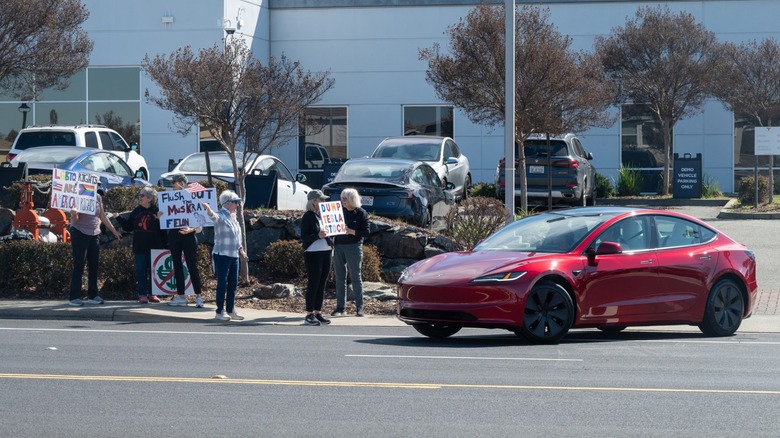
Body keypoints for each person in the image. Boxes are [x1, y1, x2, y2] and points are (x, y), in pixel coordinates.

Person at [69, 191, 122, 306]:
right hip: (79, 232)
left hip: (94, 234)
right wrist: (73, 214)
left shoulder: (97, 197)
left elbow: (102, 215)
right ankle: (74, 296)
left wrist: (114, 231)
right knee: (79, 264)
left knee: (94, 264)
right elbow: (75, 219)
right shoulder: (78, 196)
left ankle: (93, 295)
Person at [161, 174, 205, 307]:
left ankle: (198, 296)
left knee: (192, 265)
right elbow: (165, 217)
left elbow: (201, 220)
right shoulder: (168, 198)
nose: (172, 184)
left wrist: (191, 229)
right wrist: (160, 216)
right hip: (174, 234)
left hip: (189, 236)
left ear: (181, 182)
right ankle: (181, 295)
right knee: (177, 266)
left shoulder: (192, 196)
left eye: (174, 182)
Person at [203, 190, 247, 321]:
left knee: (233, 283)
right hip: (222, 254)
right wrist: (209, 210)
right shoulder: (221, 215)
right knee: (222, 283)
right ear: (227, 204)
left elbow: (237, 237)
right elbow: (214, 217)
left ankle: (230, 309)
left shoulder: (234, 217)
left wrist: (241, 250)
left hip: (234, 255)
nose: (237, 205)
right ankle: (219, 311)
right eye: (235, 202)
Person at [117, 187, 165, 303]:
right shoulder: (136, 211)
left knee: (153, 271)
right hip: (139, 246)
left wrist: (159, 220)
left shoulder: (158, 211)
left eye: (142, 195)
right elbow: (128, 226)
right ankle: (142, 294)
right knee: (140, 271)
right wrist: (118, 218)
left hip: (154, 246)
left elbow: (163, 230)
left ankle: (153, 294)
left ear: (149, 198)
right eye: (140, 195)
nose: (140, 197)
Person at [331, 188, 370, 317]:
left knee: (355, 277)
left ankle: (360, 307)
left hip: (354, 246)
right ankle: (340, 307)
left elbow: (366, 232)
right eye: (342, 198)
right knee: (340, 277)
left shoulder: (361, 213)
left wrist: (351, 231)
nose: (343, 201)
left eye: (345, 199)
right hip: (339, 246)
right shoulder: (338, 211)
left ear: (352, 199)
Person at [300, 190, 333, 326]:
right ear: (314, 201)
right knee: (314, 283)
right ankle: (309, 314)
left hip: (326, 251)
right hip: (313, 252)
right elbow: (304, 236)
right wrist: (317, 235)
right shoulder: (308, 216)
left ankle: (318, 312)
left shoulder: (325, 215)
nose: (324, 202)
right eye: (321, 200)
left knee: (322, 284)